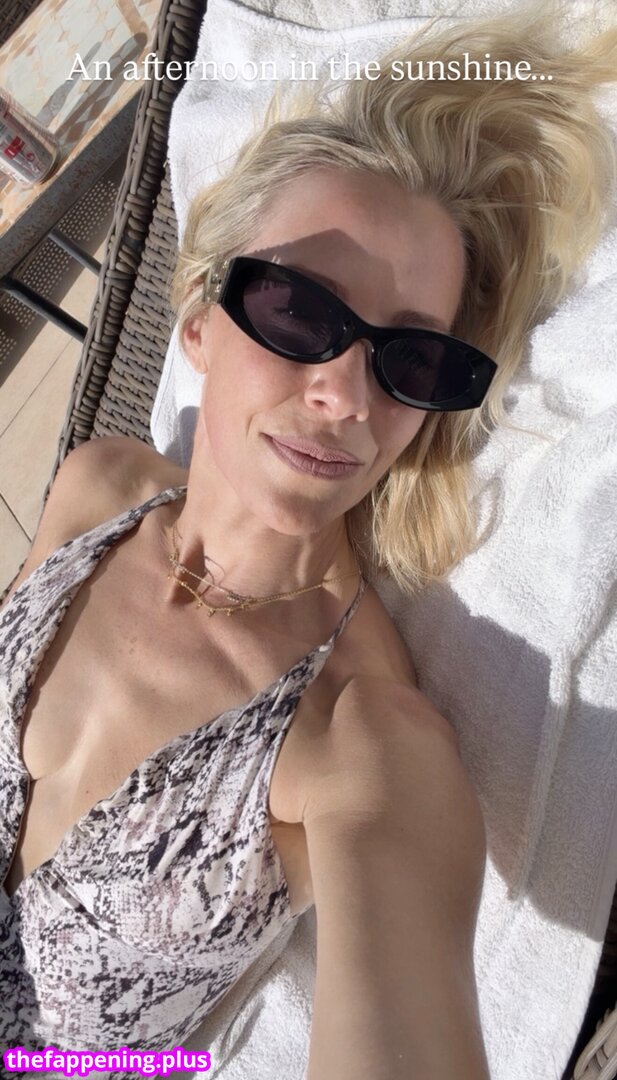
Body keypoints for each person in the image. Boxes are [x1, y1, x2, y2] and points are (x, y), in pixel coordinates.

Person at [1, 6, 615, 1079]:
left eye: (411, 360)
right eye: (297, 310)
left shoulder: (360, 736)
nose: (343, 393)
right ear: (198, 324)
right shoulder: (98, 489)